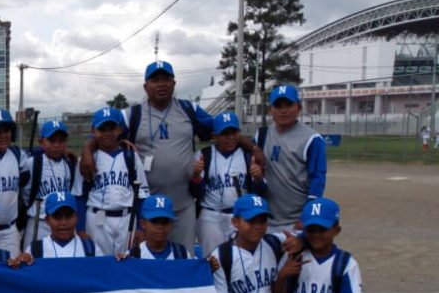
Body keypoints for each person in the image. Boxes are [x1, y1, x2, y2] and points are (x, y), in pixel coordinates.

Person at [80, 60, 263, 251]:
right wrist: (87, 149)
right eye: (155, 80)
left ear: (174, 83)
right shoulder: (132, 114)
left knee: (183, 255)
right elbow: (106, 134)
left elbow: (222, 130)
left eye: (166, 79)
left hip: (183, 203)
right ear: (145, 86)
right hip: (147, 206)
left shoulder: (188, 109)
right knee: (148, 261)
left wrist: (254, 148)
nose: (161, 84)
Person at [72, 108, 149, 256]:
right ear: (93, 130)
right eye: (102, 129)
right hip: (96, 219)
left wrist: (140, 226)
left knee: (128, 262)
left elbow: (142, 196)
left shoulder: (131, 157)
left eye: (112, 128)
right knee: (98, 264)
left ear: (119, 129)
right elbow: (79, 196)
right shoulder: (86, 160)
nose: (107, 133)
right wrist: (80, 229)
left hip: (127, 218)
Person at [191, 112, 266, 257]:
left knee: (241, 259)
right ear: (215, 135)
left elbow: (261, 194)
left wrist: (258, 179)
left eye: (234, 132)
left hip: (239, 216)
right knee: (213, 260)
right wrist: (195, 177)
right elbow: (195, 193)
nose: (230, 137)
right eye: (225, 133)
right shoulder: (204, 155)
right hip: (210, 215)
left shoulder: (247, 156)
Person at [257, 84, 327, 232]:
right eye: (278, 105)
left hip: (297, 221)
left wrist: (307, 215)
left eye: (289, 105)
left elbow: (318, 178)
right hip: (266, 220)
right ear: (270, 110)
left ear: (299, 108)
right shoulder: (261, 136)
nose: (283, 110)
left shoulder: (311, 139)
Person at [21, 121, 77, 251]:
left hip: (63, 223)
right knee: (31, 261)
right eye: (51, 140)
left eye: (61, 140)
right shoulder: (31, 163)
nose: (56, 145)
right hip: (37, 222)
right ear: (41, 142)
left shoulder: (70, 164)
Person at [26, 192, 96, 259]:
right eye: (57, 217)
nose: (64, 222)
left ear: (77, 218)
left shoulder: (90, 249)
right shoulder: (35, 251)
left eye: (68, 216)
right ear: (47, 220)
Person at [128, 194, 191, 260]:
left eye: (165, 221)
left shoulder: (182, 254)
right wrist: (122, 262)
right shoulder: (133, 255)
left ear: (171, 224)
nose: (160, 226)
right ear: (143, 223)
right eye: (155, 221)